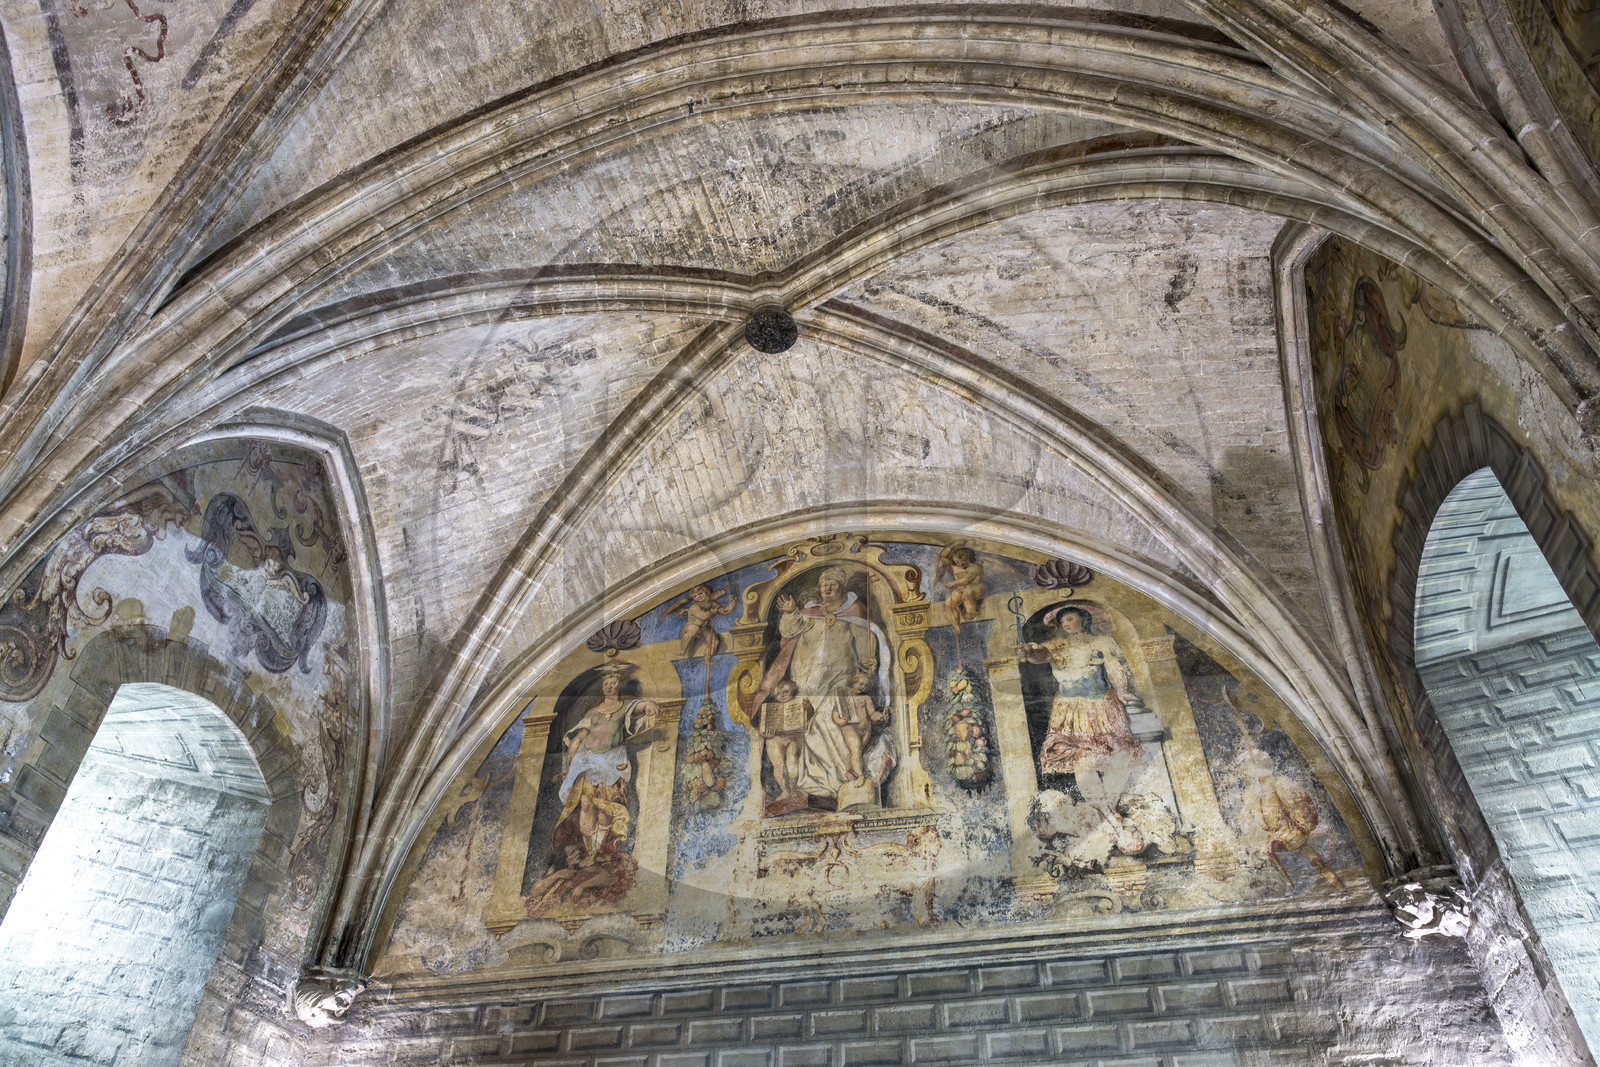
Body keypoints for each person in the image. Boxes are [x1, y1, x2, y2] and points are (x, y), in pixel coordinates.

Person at [753, 567, 892, 803]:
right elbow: (789, 630)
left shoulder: (853, 609)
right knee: (805, 728)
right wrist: (791, 612)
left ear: (842, 588)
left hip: (838, 679)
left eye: (832, 584)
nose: (827, 588)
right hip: (805, 681)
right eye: (824, 585)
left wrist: (867, 658)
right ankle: (808, 784)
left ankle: (838, 781)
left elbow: (863, 636)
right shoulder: (810, 611)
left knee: (832, 723)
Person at [1017, 605, 1141, 780]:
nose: (1066, 624)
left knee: (1111, 751)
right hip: (1069, 707)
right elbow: (1040, 654)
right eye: (1062, 622)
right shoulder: (1059, 644)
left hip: (1100, 704)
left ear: (1084, 619)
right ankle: (1094, 797)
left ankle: (1113, 797)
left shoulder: (1101, 641)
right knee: (1079, 757)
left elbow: (1114, 666)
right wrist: (1029, 651)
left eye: (1070, 619)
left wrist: (1121, 689)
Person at [555, 664, 658, 861]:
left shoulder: (624, 707)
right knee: (586, 804)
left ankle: (603, 851)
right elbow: (580, 736)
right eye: (606, 684)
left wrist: (648, 705)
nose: (609, 687)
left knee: (606, 809)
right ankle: (589, 851)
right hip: (587, 762)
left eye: (613, 683)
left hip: (611, 762)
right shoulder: (593, 712)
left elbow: (637, 708)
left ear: (620, 685)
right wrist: (571, 761)